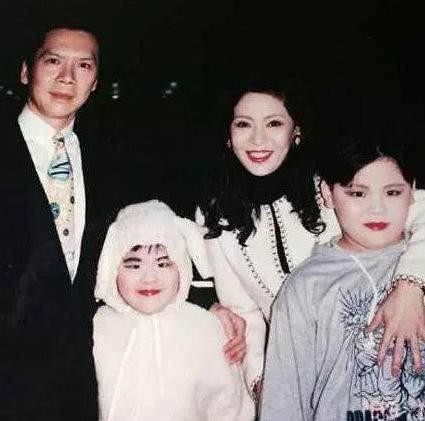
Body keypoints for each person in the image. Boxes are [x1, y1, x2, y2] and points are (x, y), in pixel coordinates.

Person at [197, 77, 425, 398]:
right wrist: (261, 381)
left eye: (274, 123)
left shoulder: (334, 183)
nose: (258, 139)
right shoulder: (214, 213)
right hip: (295, 371)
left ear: (296, 131)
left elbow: (420, 209)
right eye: (243, 124)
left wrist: (410, 287)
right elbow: (245, 312)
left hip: (386, 351)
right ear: (228, 133)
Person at [259, 122, 425, 420]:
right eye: (357, 194)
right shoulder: (306, 287)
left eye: (392, 192)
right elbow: (283, 403)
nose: (377, 209)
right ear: (327, 192)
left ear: (412, 191)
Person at [0, 23, 110, 420]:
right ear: (25, 71)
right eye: (53, 61)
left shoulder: (112, 161)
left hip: (75, 387)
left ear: (95, 82)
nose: (67, 77)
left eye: (83, 65)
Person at [93, 200, 255, 421]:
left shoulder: (206, 330)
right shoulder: (96, 329)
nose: (149, 278)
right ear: (111, 267)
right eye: (134, 265)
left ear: (181, 267)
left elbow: (232, 410)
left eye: (163, 264)